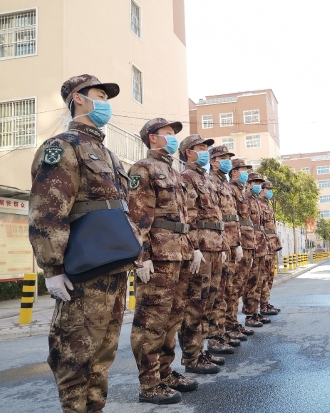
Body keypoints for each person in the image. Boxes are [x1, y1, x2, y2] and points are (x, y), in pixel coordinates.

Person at [29, 74, 134, 412]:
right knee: (74, 353)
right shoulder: (63, 146)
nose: (106, 103)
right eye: (99, 95)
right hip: (83, 270)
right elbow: (48, 211)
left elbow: (123, 210)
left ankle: (94, 407)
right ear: (78, 98)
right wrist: (53, 268)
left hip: (114, 265)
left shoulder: (109, 155)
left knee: (103, 352)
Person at [128, 118, 198, 404]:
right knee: (151, 321)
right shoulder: (142, 168)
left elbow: (184, 218)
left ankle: (166, 373)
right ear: (152, 138)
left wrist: (192, 248)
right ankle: (149, 384)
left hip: (179, 253)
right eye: (167, 133)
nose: (172, 138)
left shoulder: (174, 173)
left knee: (173, 317)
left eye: (173, 134)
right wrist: (141, 257)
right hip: (157, 255)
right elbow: (138, 216)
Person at [178, 134, 231, 374]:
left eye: (206, 148)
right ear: (188, 152)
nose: (205, 152)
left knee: (209, 300)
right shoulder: (187, 177)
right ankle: (192, 357)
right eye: (200, 148)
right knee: (195, 303)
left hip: (215, 246)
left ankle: (200, 351)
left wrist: (224, 245)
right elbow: (188, 215)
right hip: (202, 246)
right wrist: (194, 248)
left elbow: (216, 217)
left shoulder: (205, 179)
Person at [208, 145, 249, 343]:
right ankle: (217, 332)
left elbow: (235, 219)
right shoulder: (211, 182)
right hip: (220, 242)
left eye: (228, 158)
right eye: (222, 158)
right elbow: (215, 217)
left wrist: (237, 242)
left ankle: (227, 326)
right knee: (220, 291)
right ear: (213, 161)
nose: (226, 161)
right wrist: (223, 244)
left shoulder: (224, 185)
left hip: (231, 242)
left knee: (231, 287)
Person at [226, 159, 257, 334]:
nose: (245, 173)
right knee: (233, 285)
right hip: (238, 242)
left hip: (247, 241)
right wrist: (236, 242)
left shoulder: (241, 191)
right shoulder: (231, 189)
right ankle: (229, 324)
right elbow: (232, 219)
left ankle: (233, 322)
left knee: (240, 284)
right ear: (234, 172)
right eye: (243, 170)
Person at [241, 172, 271, 326]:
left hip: (260, 244)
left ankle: (255, 312)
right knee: (251, 281)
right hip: (250, 244)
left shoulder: (256, 201)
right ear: (248, 184)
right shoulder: (245, 199)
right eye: (255, 183)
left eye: (259, 183)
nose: (258, 186)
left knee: (259, 280)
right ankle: (249, 315)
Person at [258, 180, 283, 316]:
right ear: (262, 190)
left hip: (272, 244)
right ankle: (262, 306)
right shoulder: (258, 204)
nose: (270, 192)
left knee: (270, 275)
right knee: (263, 276)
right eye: (268, 189)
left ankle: (266, 303)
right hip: (265, 244)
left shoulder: (267, 204)